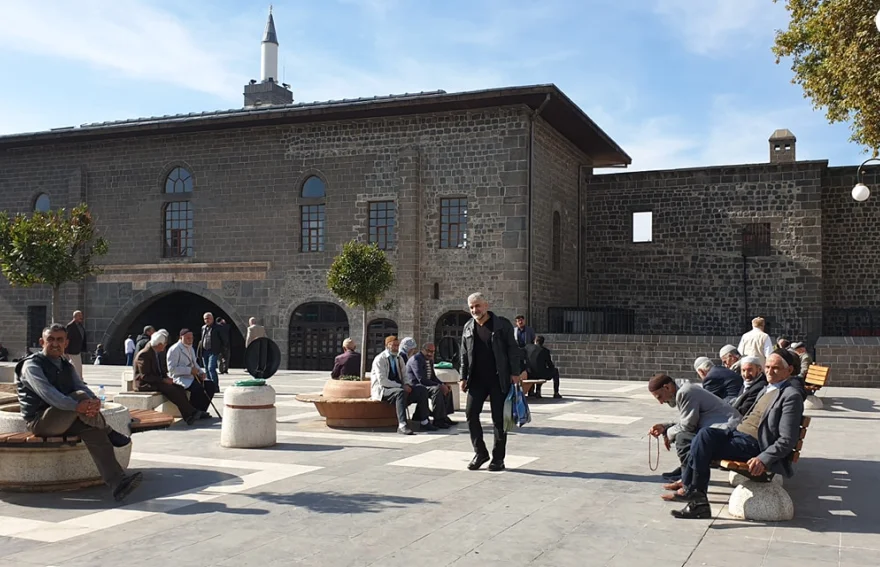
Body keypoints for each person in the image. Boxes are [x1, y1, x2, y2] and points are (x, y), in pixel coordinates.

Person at [671, 349, 805, 519]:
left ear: (789, 370)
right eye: (768, 367)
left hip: (754, 445)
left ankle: (696, 498)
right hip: (737, 435)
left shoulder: (790, 396)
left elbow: (787, 439)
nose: (769, 372)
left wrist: (763, 459)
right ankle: (695, 495)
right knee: (696, 437)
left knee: (703, 439)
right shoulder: (767, 389)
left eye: (775, 368)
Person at [14, 324, 142, 501]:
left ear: (66, 342)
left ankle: (118, 484)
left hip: (65, 416)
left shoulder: (66, 364)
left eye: (60, 339)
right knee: (81, 397)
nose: (55, 343)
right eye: (50, 339)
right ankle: (110, 431)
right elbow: (49, 394)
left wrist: (94, 401)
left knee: (93, 429)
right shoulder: (31, 366)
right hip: (41, 421)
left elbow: (80, 385)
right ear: (42, 341)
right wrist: (78, 406)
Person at [460, 293, 525, 472]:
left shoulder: (501, 325)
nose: (475, 310)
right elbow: (464, 355)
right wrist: (462, 377)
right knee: (471, 414)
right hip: (476, 380)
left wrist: (514, 373)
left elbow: (513, 349)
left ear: (486, 305)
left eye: (478, 306)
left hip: (498, 378)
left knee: (499, 420)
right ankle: (480, 452)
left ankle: (498, 459)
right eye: (472, 307)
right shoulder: (467, 327)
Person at [647, 373, 741, 488]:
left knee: (683, 438)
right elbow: (689, 419)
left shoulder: (685, 392)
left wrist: (668, 432)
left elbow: (688, 426)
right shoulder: (684, 390)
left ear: (667, 387)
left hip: (727, 430)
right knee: (685, 437)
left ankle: (690, 485)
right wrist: (665, 427)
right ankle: (687, 479)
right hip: (720, 428)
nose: (661, 402)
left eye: (660, 397)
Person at [134, 329, 200, 425]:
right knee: (171, 389)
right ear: (159, 344)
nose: (165, 345)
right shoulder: (144, 354)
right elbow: (145, 376)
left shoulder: (158, 352)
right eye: (164, 343)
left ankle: (188, 415)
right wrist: (163, 380)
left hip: (157, 380)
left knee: (180, 388)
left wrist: (166, 378)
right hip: (145, 384)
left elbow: (162, 369)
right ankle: (191, 412)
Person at [370, 335, 432, 435]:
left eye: (397, 346)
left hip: (399, 387)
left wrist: (407, 384)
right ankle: (402, 425)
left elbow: (405, 375)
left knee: (422, 390)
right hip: (384, 389)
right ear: (387, 346)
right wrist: (401, 386)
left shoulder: (399, 358)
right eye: (393, 345)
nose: (395, 348)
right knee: (401, 393)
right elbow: (383, 381)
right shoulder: (380, 359)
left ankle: (424, 421)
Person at [167, 328, 216, 418]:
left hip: (191, 376)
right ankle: (193, 411)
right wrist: (189, 370)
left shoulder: (191, 348)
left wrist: (201, 373)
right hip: (179, 377)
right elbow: (172, 369)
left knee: (210, 386)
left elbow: (195, 364)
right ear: (181, 338)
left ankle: (201, 410)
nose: (190, 340)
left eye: (191, 338)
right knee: (197, 389)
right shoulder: (174, 349)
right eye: (187, 338)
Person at [406, 341, 455, 429]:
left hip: (427, 384)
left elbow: (433, 377)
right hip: (416, 386)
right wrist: (439, 386)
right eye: (428, 351)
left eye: (432, 352)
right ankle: (438, 419)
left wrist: (442, 384)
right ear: (423, 350)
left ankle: (444, 416)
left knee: (447, 387)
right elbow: (421, 379)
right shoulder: (416, 359)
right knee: (437, 390)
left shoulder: (429, 360)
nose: (430, 354)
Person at [198, 312, 226, 386]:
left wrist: (223, 351)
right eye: (205, 319)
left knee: (211, 368)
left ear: (212, 319)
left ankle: (215, 386)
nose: (207, 320)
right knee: (206, 369)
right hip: (205, 351)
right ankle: (210, 386)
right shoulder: (203, 328)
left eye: (208, 318)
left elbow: (224, 339)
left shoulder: (218, 327)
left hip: (213, 350)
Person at [65, 310, 87, 378]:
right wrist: (66, 349)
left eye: (81, 315)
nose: (81, 317)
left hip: (77, 348)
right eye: (79, 316)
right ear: (75, 316)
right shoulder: (70, 326)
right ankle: (80, 380)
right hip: (72, 349)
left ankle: (73, 378)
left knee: (72, 365)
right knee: (78, 365)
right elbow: (67, 338)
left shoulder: (80, 325)